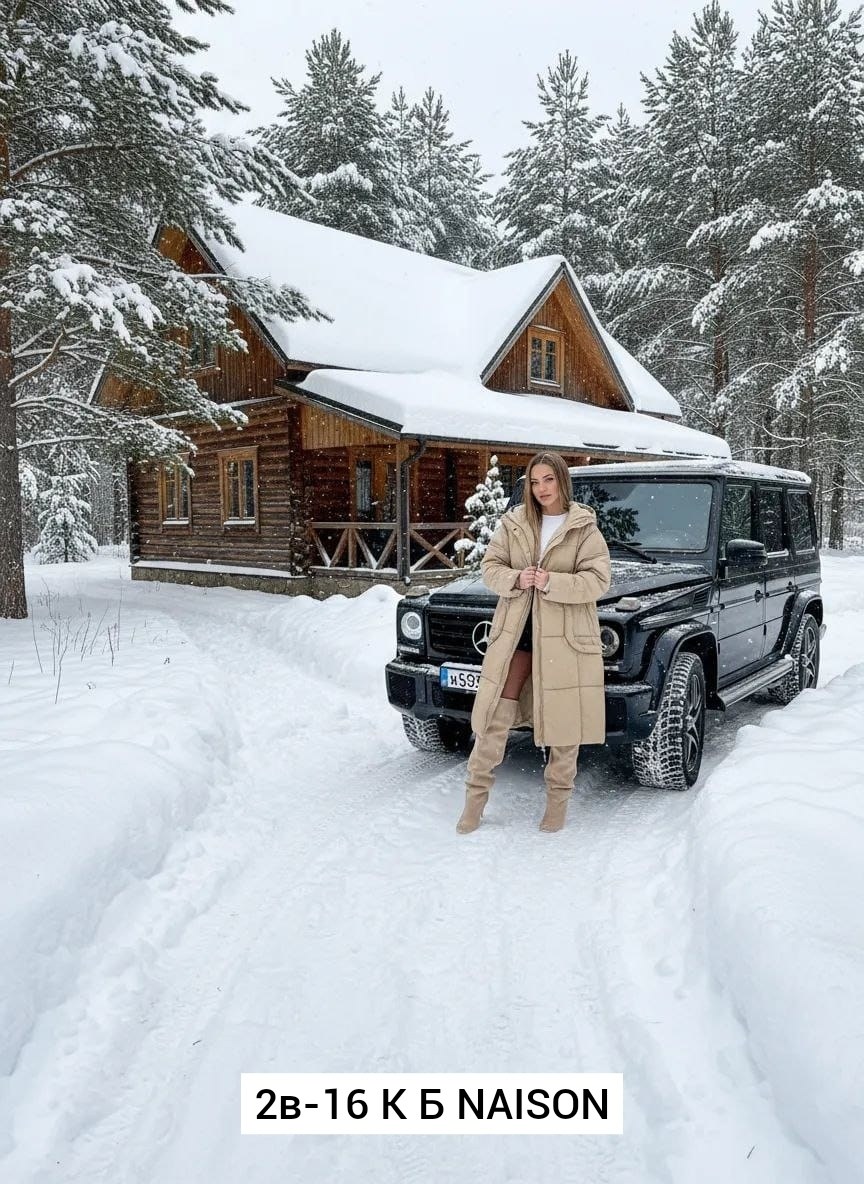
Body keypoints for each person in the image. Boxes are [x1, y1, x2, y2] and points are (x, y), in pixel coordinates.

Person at [456, 451, 611, 834]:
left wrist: (551, 582)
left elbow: (598, 581)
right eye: (534, 481)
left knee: (563, 726)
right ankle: (474, 803)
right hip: (518, 634)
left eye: (548, 480)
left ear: (561, 481)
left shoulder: (583, 527)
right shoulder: (514, 523)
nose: (541, 489)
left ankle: (557, 806)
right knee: (494, 716)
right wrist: (515, 578)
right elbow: (490, 568)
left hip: (565, 638)